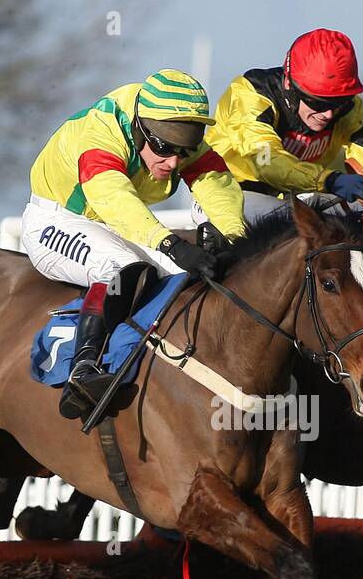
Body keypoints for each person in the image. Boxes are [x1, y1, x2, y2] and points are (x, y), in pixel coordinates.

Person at [22, 69, 246, 420]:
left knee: (200, 276)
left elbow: (215, 181)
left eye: (181, 152)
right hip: (56, 220)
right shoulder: (102, 130)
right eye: (163, 148)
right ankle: (83, 370)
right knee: (118, 266)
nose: (172, 162)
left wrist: (230, 234)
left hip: (114, 224)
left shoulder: (169, 125)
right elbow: (114, 199)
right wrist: (170, 244)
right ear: (140, 127)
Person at [201, 29, 363, 224]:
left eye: (338, 102)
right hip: (228, 193)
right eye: (318, 102)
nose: (328, 114)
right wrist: (330, 180)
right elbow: (267, 164)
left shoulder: (349, 109)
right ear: (290, 86)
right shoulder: (251, 95)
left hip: (292, 196)